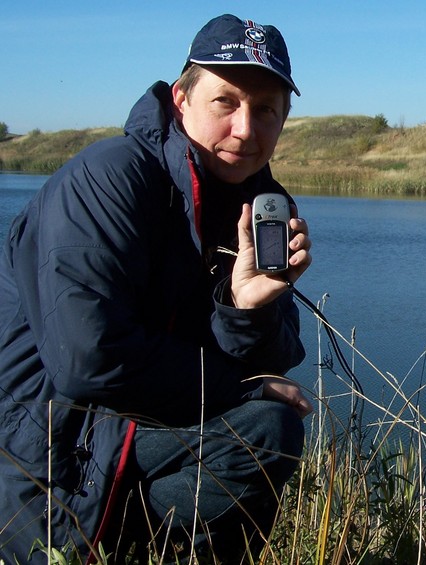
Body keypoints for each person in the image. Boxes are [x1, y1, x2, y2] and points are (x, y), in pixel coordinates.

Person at [0, 14, 313, 562]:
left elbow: (275, 359)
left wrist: (247, 310)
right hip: (50, 444)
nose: (246, 128)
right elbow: (87, 359)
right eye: (226, 102)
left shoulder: (260, 206)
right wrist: (237, 390)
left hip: (137, 427)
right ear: (180, 99)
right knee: (260, 421)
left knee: (266, 430)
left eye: (266, 109)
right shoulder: (109, 178)